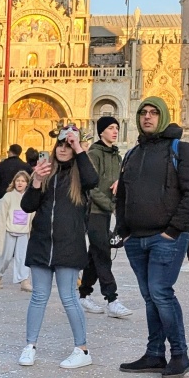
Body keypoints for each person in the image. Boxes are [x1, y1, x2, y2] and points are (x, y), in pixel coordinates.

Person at [115, 97, 189, 378]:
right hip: (136, 239)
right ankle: (155, 354)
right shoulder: (133, 153)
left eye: (154, 113)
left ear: (163, 116)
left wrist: (174, 230)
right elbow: (123, 195)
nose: (148, 117)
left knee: (161, 293)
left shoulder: (182, 149)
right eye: (143, 112)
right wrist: (124, 228)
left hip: (165, 238)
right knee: (150, 297)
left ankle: (180, 354)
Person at [17, 128, 99, 368]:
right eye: (60, 144)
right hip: (42, 244)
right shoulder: (46, 173)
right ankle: (30, 346)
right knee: (38, 297)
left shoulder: (80, 175)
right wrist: (37, 181)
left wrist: (79, 148)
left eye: (68, 144)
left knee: (69, 298)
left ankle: (82, 350)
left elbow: (94, 180)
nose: (63, 148)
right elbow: (28, 206)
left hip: (68, 246)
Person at [79, 116, 134, 318]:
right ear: (101, 131)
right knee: (102, 252)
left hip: (105, 212)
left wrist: (119, 182)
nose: (115, 131)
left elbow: (117, 179)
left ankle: (84, 294)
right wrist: (110, 204)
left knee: (95, 252)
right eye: (110, 127)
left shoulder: (116, 156)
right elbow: (90, 186)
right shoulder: (94, 154)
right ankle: (112, 299)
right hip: (93, 210)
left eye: (116, 128)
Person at [0, 171, 33, 291]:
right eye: (18, 180)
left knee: (23, 257)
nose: (20, 183)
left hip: (24, 232)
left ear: (27, 183)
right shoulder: (8, 197)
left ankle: (24, 280)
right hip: (9, 231)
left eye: (23, 181)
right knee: (5, 256)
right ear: (14, 182)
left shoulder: (30, 197)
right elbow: (1, 215)